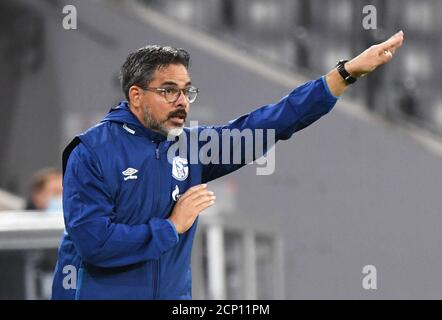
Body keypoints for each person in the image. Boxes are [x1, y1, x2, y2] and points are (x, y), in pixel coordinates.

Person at [51, 31, 404, 299]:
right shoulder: (92, 152)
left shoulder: (191, 147)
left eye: (187, 91)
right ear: (136, 95)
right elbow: (93, 243)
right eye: (169, 91)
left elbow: (271, 123)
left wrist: (345, 73)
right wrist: (171, 227)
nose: (182, 102)